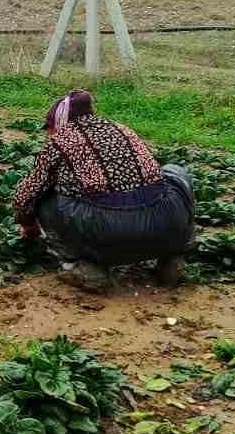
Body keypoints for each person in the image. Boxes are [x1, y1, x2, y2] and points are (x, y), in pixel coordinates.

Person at [11, 89, 195, 293]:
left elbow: (25, 196)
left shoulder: (60, 142)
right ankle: (169, 258)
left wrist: (28, 226)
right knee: (175, 172)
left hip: (109, 234)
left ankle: (83, 266)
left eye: (49, 127)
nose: (48, 133)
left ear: (59, 122)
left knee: (44, 197)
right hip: (166, 224)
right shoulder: (123, 130)